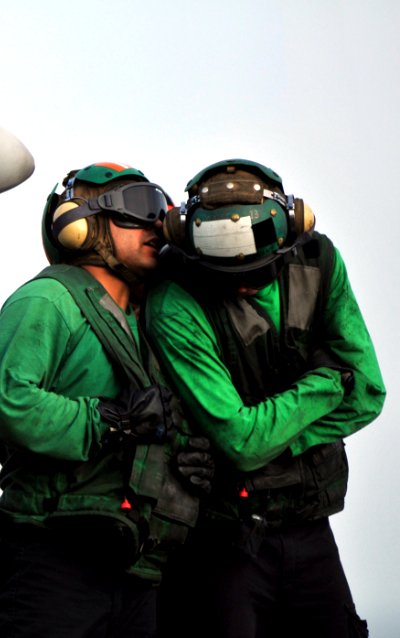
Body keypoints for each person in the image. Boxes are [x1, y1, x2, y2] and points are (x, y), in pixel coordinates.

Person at [145, 159, 386, 638]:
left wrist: (264, 440)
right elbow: (240, 442)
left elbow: (368, 393)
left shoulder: (320, 263)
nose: (241, 281)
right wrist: (322, 385)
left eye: (260, 269)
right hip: (222, 539)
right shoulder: (174, 299)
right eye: (224, 273)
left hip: (310, 525)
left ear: (292, 231)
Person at [0, 162, 214, 637]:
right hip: (52, 563)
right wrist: (109, 420)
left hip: (137, 569)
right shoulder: (48, 300)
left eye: (161, 210)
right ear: (81, 225)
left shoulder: (154, 321)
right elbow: (4, 399)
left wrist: (188, 460)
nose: (156, 223)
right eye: (139, 208)